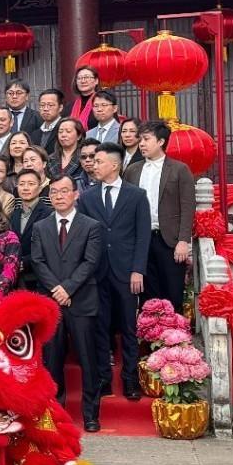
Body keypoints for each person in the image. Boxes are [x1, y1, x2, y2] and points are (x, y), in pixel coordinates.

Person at [29, 175, 104, 432]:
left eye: (64, 191)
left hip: (81, 301)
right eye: (54, 192)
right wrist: (57, 289)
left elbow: (90, 262)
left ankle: (91, 414)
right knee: (52, 360)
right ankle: (55, 412)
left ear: (76, 194)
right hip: (51, 303)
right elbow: (37, 261)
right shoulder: (40, 227)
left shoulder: (91, 226)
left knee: (88, 360)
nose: (59, 196)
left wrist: (68, 288)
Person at [79, 142, 151, 400]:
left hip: (126, 271)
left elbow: (143, 236)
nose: (93, 165)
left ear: (115, 165)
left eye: (98, 161)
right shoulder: (87, 197)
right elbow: (83, 235)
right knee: (100, 327)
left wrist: (138, 269)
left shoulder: (137, 195)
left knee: (129, 327)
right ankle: (103, 379)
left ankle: (130, 379)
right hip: (97, 272)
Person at [123, 121, 196, 314]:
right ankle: (150, 330)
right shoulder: (132, 170)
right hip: (141, 240)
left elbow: (188, 207)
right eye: (140, 139)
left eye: (146, 139)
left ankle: (174, 330)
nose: (141, 144)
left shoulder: (179, 169)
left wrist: (183, 240)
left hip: (169, 240)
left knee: (173, 292)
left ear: (161, 141)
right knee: (147, 294)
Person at [13, 169, 54, 289]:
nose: (26, 188)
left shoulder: (49, 214)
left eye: (31, 184)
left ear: (40, 188)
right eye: (22, 184)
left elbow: (49, 248)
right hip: (15, 278)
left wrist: (25, 262)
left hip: (39, 277)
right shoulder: (14, 214)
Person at [48, 118, 85, 183]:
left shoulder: (85, 157)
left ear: (79, 136)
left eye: (68, 131)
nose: (63, 135)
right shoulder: (50, 159)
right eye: (60, 132)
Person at [29, 88, 64, 154]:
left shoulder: (66, 129)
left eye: (50, 105)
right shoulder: (35, 134)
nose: (45, 109)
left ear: (60, 107)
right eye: (42, 105)